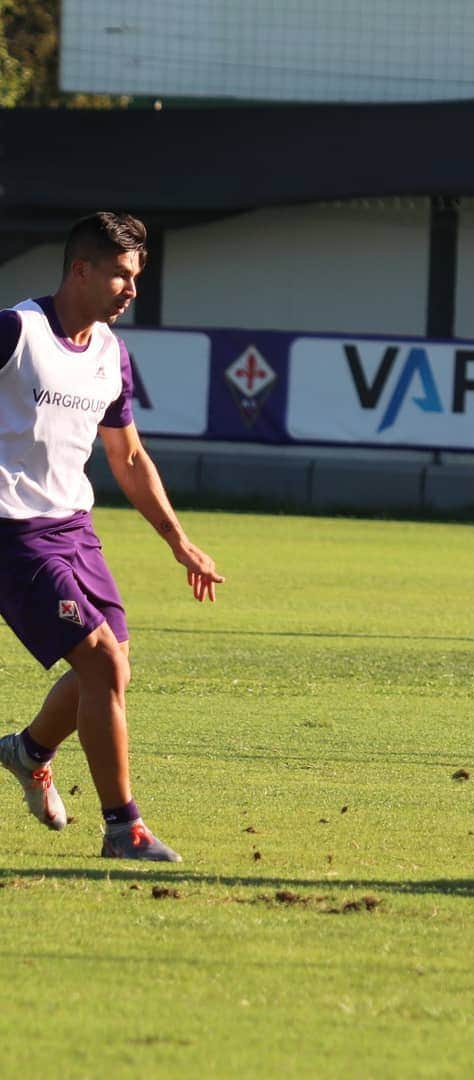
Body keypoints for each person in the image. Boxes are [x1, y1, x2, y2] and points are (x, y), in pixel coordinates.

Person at [0, 212, 223, 861]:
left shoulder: (110, 354)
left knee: (112, 665)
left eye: (136, 277)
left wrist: (179, 541)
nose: (131, 290)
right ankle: (124, 828)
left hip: (74, 525)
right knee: (100, 662)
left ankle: (28, 750)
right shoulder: (18, 331)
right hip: (13, 530)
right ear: (80, 270)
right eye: (122, 275)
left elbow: (127, 458)